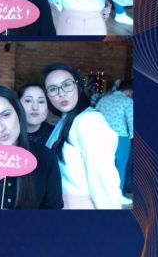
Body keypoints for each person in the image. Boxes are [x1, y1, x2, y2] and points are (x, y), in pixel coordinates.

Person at [0, 85, 63, 210]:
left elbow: (53, 210)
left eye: (6, 115)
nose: (0, 128)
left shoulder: (46, 158)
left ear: (18, 113)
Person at [43, 63, 125, 209]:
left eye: (67, 85)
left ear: (78, 86)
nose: (61, 93)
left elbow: (104, 178)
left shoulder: (89, 121)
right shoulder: (65, 121)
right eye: (53, 89)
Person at [96, 80, 133, 192]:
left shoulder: (103, 100)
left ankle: (102, 193)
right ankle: (116, 195)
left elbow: (95, 116)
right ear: (128, 91)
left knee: (103, 167)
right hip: (120, 138)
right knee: (120, 168)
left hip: (101, 137)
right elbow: (132, 121)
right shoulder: (128, 101)